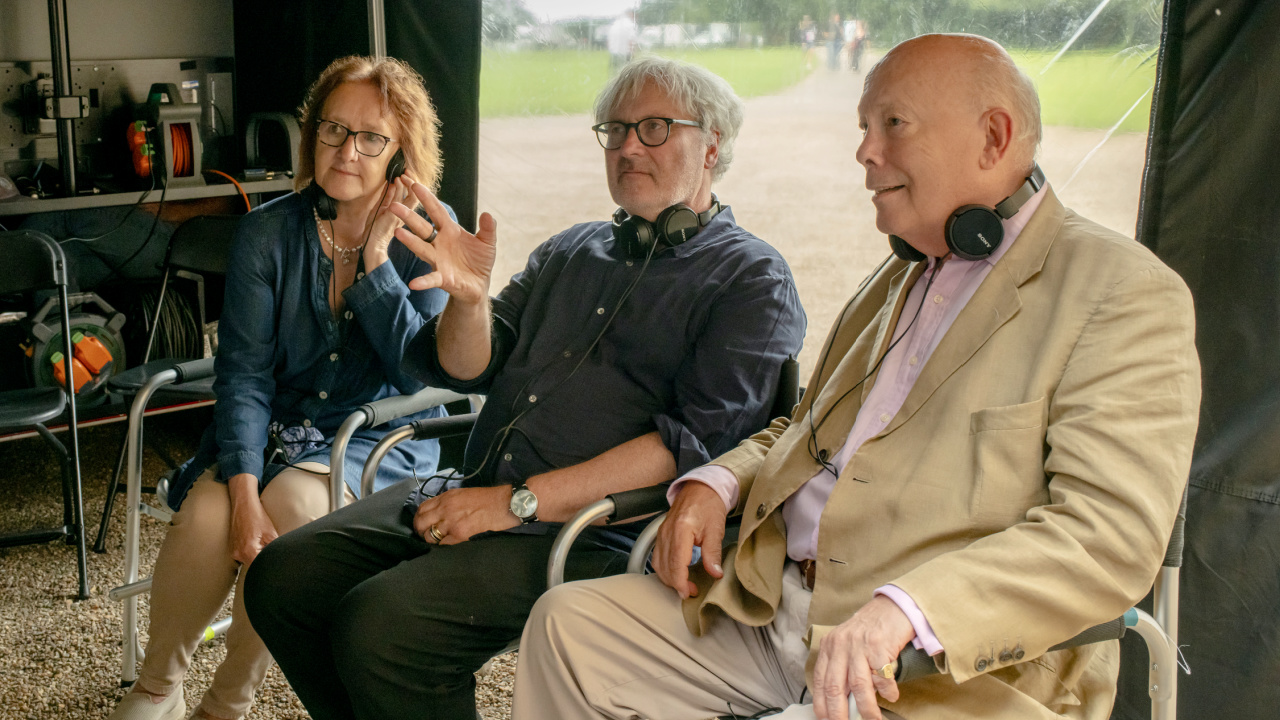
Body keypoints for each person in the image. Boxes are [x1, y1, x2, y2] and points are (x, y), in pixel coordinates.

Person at [512, 33, 1201, 720]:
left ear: (994, 137)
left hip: (932, 673)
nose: (865, 152)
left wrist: (909, 610)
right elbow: (803, 429)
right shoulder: (900, 274)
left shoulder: (1123, 292)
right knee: (567, 630)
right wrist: (714, 483)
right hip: (775, 617)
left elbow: (1107, 535)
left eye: (892, 125)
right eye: (864, 128)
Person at [243, 56, 807, 720]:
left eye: (654, 128)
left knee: (383, 626)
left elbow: (687, 449)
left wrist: (514, 504)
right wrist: (469, 300)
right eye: (616, 129)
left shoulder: (752, 279)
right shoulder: (573, 249)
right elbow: (467, 367)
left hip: (596, 533)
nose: (628, 146)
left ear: (711, 144)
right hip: (477, 490)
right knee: (282, 579)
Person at [106, 55, 452, 720]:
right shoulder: (266, 231)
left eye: (370, 138)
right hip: (269, 428)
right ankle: (157, 687)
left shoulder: (427, 234)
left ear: (402, 154)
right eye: (332, 130)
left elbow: (418, 373)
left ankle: (228, 700)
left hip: (372, 435)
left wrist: (377, 262)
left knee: (293, 503)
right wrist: (239, 493)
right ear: (312, 135)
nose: (346, 150)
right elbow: (243, 374)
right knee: (210, 517)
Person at [607, 9, 639, 74]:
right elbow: (631, 41)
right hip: (626, 53)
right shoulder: (630, 25)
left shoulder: (615, 24)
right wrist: (633, 54)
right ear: (632, 14)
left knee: (614, 73)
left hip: (614, 53)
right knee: (627, 74)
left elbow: (609, 41)